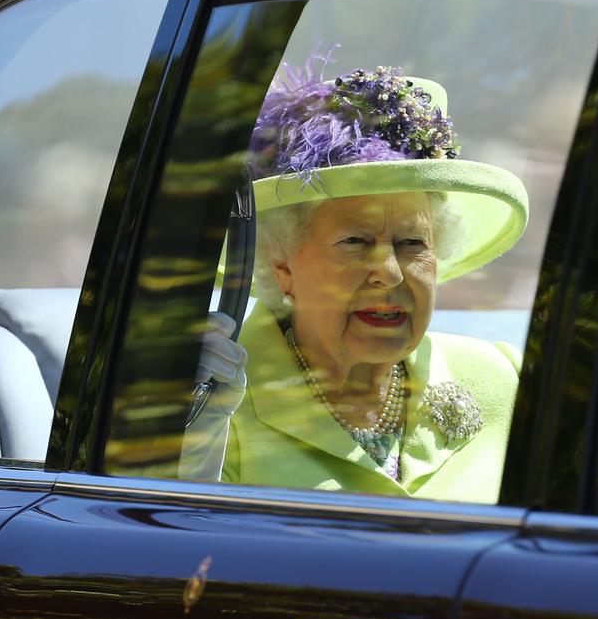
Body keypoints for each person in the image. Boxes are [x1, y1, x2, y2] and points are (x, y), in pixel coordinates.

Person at [185, 55, 528, 503]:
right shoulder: (213, 407)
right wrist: (190, 441)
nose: (388, 274)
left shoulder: (503, 377)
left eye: (412, 243)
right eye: (354, 241)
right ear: (282, 265)